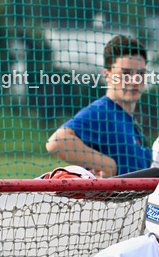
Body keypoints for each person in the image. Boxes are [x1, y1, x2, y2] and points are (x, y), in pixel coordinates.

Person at [46, 35, 153, 177]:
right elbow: (57, 142)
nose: (135, 80)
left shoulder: (131, 122)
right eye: (126, 73)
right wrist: (108, 165)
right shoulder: (102, 112)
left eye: (141, 73)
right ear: (108, 75)